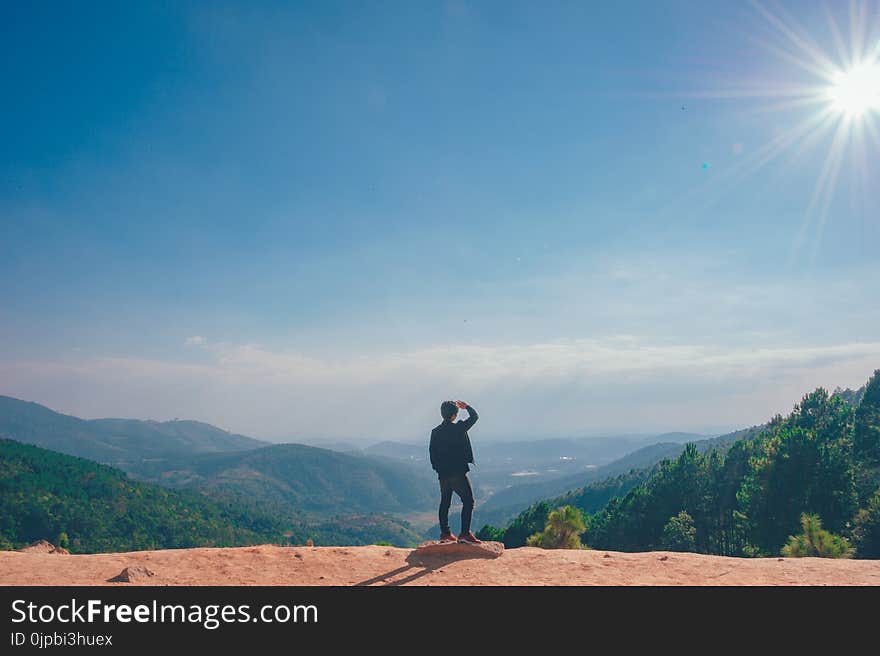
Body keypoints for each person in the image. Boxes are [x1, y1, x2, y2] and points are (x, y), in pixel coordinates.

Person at [429, 399, 482, 544]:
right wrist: (467, 407)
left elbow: (432, 454)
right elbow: (474, 417)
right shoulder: (459, 428)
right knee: (468, 501)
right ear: (454, 415)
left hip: (443, 475)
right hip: (458, 473)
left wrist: (438, 470)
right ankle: (464, 533)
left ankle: (445, 533)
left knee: (445, 502)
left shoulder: (435, 432)